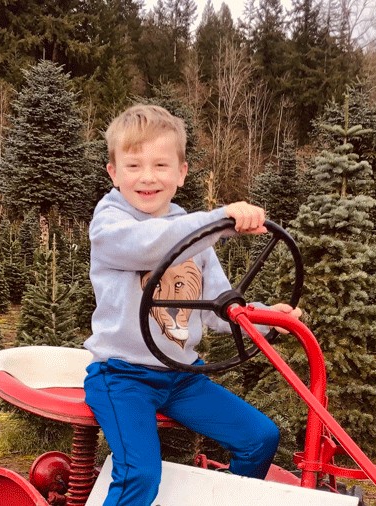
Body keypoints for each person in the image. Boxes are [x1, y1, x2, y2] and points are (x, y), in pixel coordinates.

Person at [83, 104, 302, 506]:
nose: (148, 177)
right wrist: (218, 220)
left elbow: (218, 308)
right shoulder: (110, 224)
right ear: (113, 173)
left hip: (182, 377)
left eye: (161, 165)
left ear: (181, 173)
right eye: (133, 166)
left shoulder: (195, 231)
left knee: (259, 438)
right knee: (139, 474)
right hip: (122, 377)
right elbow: (150, 244)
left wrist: (266, 318)